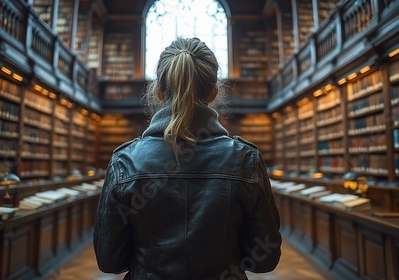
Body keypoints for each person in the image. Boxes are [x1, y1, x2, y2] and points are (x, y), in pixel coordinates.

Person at [93, 37, 281, 279]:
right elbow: (264, 259)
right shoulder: (245, 160)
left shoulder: (126, 162)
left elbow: (110, 261)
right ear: (214, 92)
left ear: (159, 92)